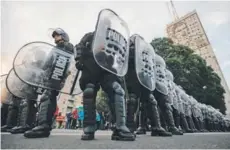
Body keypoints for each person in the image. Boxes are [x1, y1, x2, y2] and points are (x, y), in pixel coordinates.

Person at [75, 31, 135, 141]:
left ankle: (120, 127)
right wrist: (78, 58)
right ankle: (89, 127)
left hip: (108, 64)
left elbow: (122, 52)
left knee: (117, 90)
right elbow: (79, 45)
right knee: (89, 91)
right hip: (91, 62)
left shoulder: (114, 37)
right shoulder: (90, 35)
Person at [24, 28, 74, 138]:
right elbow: (48, 63)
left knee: (47, 96)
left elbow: (50, 63)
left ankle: (43, 126)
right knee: (49, 97)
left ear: (64, 36)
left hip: (55, 76)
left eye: (57, 35)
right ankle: (43, 125)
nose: (55, 38)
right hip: (53, 77)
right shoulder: (63, 48)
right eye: (54, 36)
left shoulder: (63, 47)